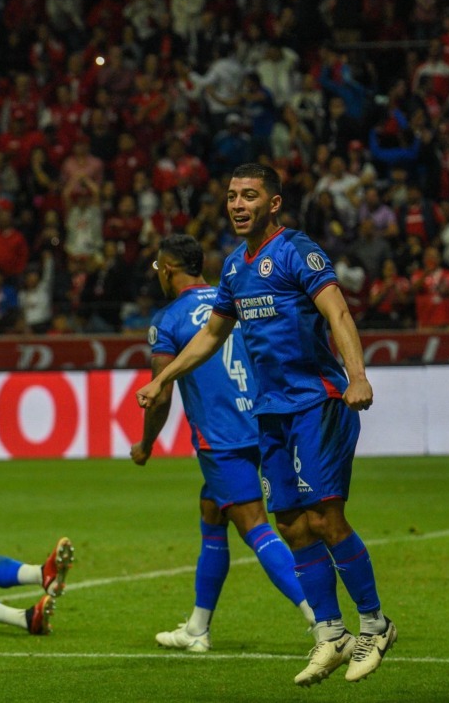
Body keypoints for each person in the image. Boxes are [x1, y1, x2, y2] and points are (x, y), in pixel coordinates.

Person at [137, 164, 395, 686]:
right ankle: (330, 633)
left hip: (316, 402)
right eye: (233, 195)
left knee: (325, 517)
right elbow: (212, 336)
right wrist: (164, 377)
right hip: (270, 412)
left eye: (249, 196)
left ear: (273, 204)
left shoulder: (297, 251)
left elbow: (338, 314)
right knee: (292, 525)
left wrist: (357, 376)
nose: (238, 204)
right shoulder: (234, 267)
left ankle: (375, 624)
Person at [131, 234, 314, 653]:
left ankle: (321, 617)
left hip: (222, 438)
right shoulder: (233, 298)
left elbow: (161, 394)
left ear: (169, 269)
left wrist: (146, 444)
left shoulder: (169, 319)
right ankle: (198, 628)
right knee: (212, 510)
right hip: (265, 421)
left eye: (158, 268)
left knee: (254, 524)